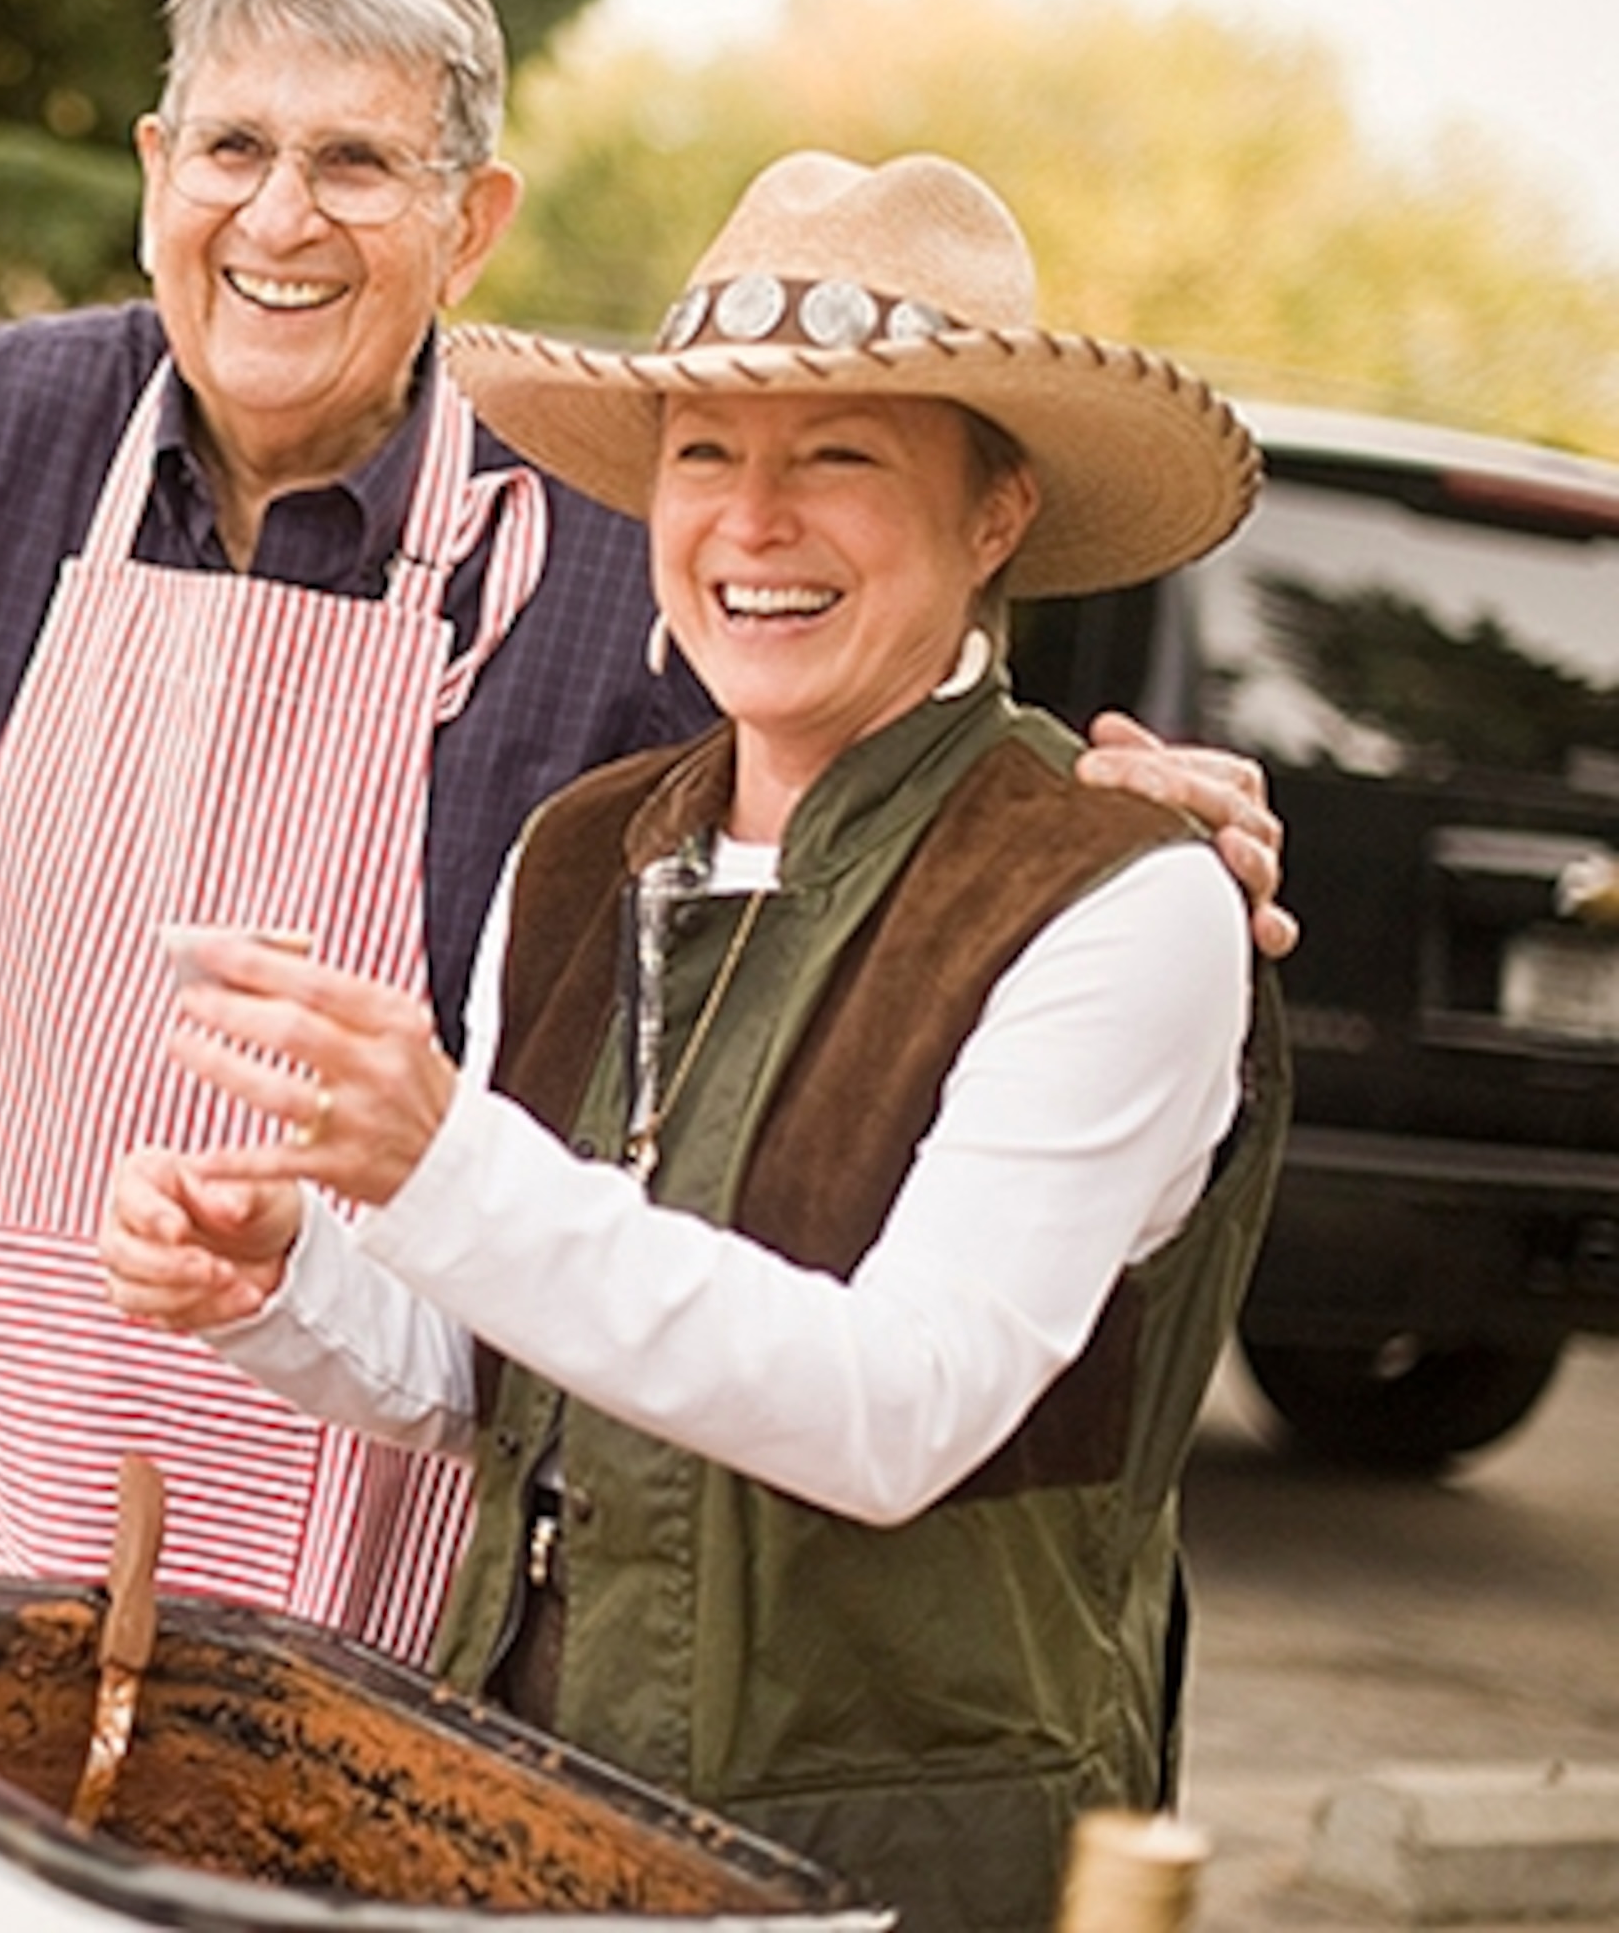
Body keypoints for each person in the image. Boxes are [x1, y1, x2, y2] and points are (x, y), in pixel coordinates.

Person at [0, 0, 1287, 1660]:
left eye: (358, 165)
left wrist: (1082, 822)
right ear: (156, 171)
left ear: (471, 225)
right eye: (232, 146)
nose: (278, 218)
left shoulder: (622, 547)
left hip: (387, 1471)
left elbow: (866, 775)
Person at [97, 148, 1291, 1933]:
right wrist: (288, 1282)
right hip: (519, 1821)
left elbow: (901, 1410)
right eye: (707, 456)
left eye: (840, 458)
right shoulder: (584, 847)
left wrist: (440, 1162)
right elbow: (492, 1368)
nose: (752, 521)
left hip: (889, 1881)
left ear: (994, 516)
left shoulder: (1118, 899)